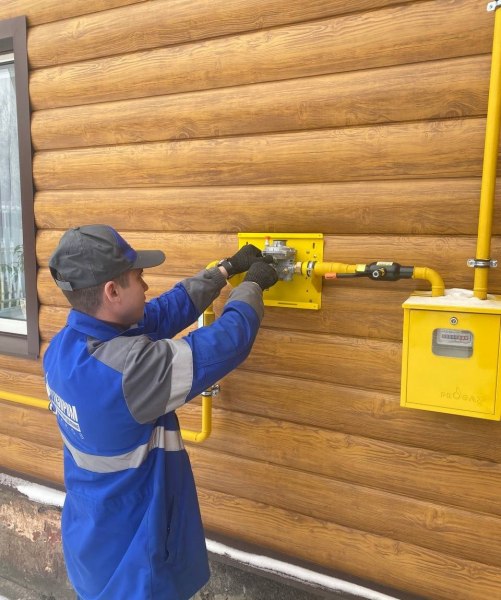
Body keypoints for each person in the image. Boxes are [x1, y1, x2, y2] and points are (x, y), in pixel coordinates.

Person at [43, 224, 278, 600]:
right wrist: (252, 286)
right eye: (139, 277)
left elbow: (159, 315)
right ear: (112, 291)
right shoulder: (128, 374)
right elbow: (223, 344)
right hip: (135, 556)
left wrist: (223, 271)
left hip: (91, 538)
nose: (147, 286)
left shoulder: (63, 348)